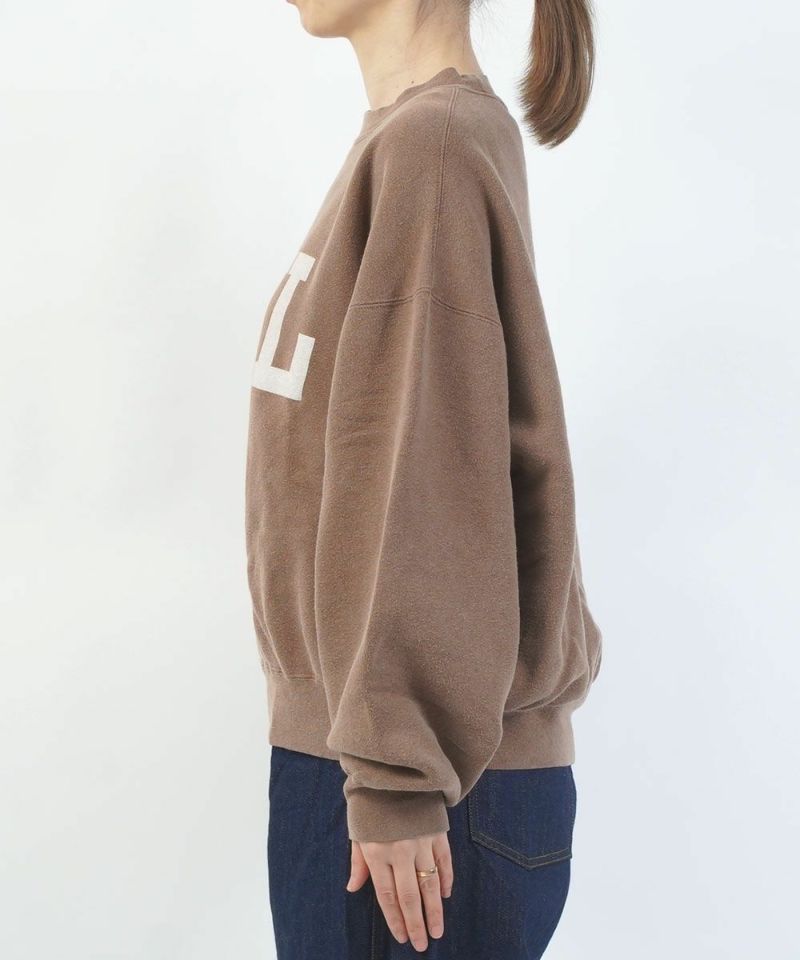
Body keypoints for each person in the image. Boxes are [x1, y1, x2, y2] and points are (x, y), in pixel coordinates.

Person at [244, 0, 602, 956]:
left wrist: (396, 777)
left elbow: (428, 474)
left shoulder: (431, 145)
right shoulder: (413, 139)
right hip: (384, 761)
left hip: (421, 787)